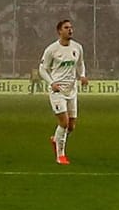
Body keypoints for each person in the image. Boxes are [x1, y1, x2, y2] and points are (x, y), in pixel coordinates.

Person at [38, 18, 88, 165]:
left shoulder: (77, 47)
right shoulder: (52, 49)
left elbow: (80, 64)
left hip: (72, 91)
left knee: (71, 126)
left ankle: (56, 139)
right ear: (59, 31)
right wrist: (51, 83)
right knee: (64, 123)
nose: (70, 30)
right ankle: (60, 155)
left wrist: (83, 75)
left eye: (71, 27)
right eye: (66, 28)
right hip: (57, 90)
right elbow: (42, 69)